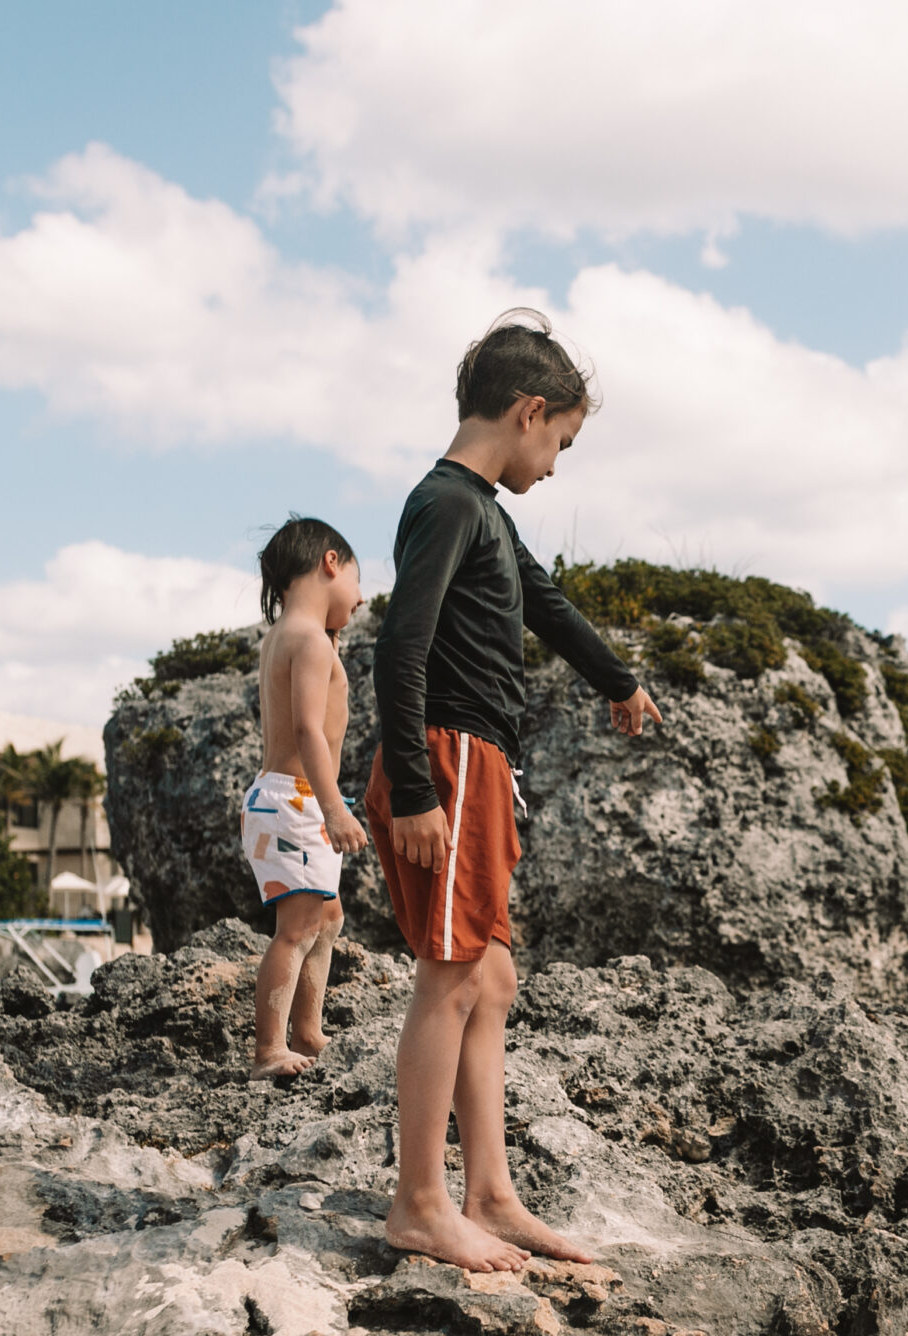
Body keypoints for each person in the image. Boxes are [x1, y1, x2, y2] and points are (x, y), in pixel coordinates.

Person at [367, 310, 664, 1273]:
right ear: (531, 410)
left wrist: (618, 678)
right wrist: (415, 786)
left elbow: (546, 604)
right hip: (444, 760)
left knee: (492, 977)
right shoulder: (447, 503)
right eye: (562, 441)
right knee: (451, 977)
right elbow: (402, 647)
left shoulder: (487, 510)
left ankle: (489, 1192)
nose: (557, 463)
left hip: (482, 763)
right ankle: (419, 1202)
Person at [245, 516, 369, 1080]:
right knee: (296, 928)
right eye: (357, 582)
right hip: (297, 799)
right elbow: (307, 732)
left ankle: (308, 1029)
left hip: (281, 799)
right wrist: (335, 807)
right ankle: (270, 1047)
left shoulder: (285, 636)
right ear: (330, 563)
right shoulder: (311, 641)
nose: (361, 598)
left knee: (328, 916)